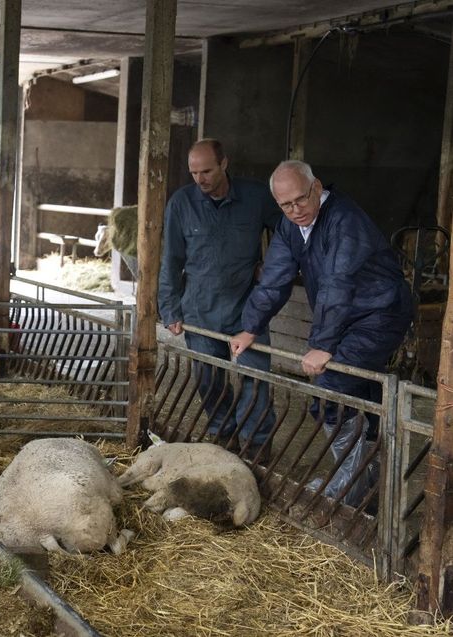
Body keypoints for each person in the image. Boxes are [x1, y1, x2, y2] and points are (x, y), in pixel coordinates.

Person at [230, 160, 413, 507]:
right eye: (285, 205)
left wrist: (321, 345)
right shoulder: (290, 225)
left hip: (380, 313)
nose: (295, 210)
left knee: (331, 388)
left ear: (316, 188)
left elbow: (337, 282)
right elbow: (275, 278)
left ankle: (350, 485)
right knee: (364, 394)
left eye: (300, 199)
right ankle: (369, 485)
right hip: (345, 316)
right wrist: (250, 326)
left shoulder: (345, 219)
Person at [158, 139, 282, 458]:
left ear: (224, 164)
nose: (201, 179)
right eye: (194, 172)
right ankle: (224, 436)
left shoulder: (256, 196)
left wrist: (272, 267)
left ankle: (257, 445)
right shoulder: (181, 203)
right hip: (200, 308)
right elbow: (171, 259)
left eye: (207, 171)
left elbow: (288, 232)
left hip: (248, 308)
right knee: (208, 379)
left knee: (256, 378)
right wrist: (169, 308)